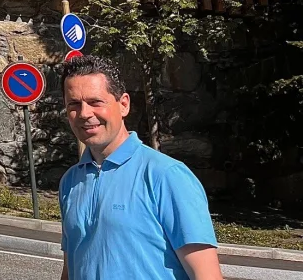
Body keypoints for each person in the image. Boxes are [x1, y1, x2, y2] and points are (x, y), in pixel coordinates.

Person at [59, 55, 222, 280]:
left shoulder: (166, 176)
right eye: (74, 104)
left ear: (123, 104)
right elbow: (71, 269)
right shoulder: (70, 181)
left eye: (95, 102)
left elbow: (206, 275)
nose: (85, 113)